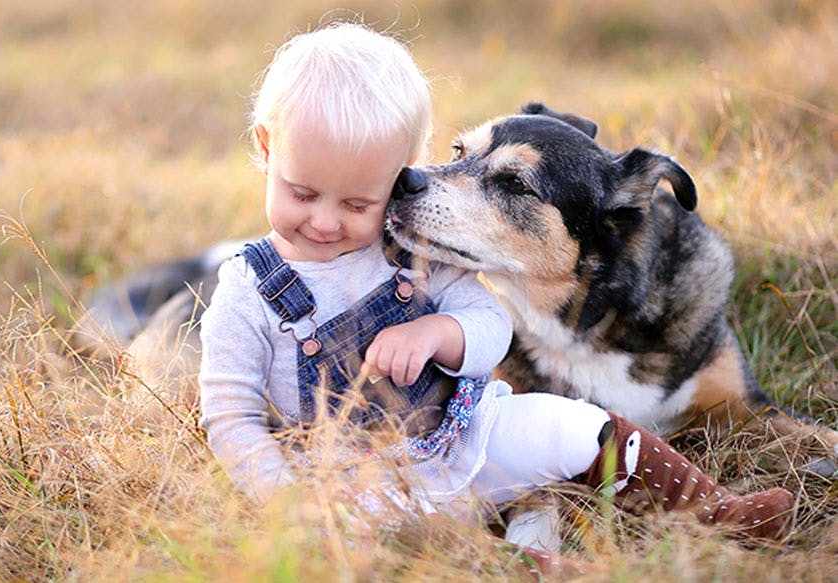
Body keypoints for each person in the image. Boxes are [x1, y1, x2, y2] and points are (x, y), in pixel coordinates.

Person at [197, 21, 795, 565]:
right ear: (269, 153)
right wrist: (287, 502)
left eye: (509, 182)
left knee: (567, 429)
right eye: (460, 155)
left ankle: (716, 511)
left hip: (464, 440)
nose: (330, 223)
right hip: (360, 475)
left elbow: (484, 325)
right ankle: (521, 565)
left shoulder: (420, 264)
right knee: (382, 529)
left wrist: (440, 332)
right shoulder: (253, 288)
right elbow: (230, 412)